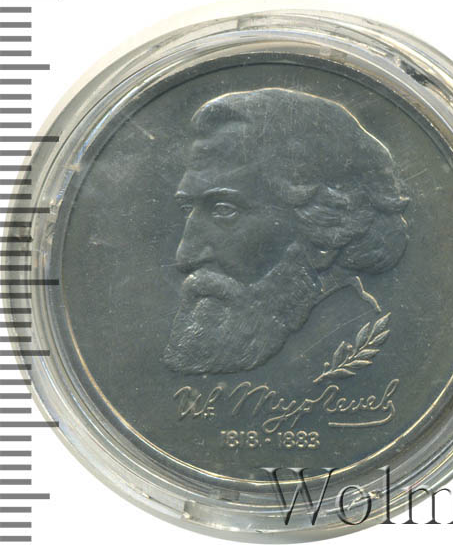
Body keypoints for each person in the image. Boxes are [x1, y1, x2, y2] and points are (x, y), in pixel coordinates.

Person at [162, 88, 408, 375]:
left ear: (326, 226)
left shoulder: (358, 342)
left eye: (224, 210)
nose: (184, 256)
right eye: (187, 209)